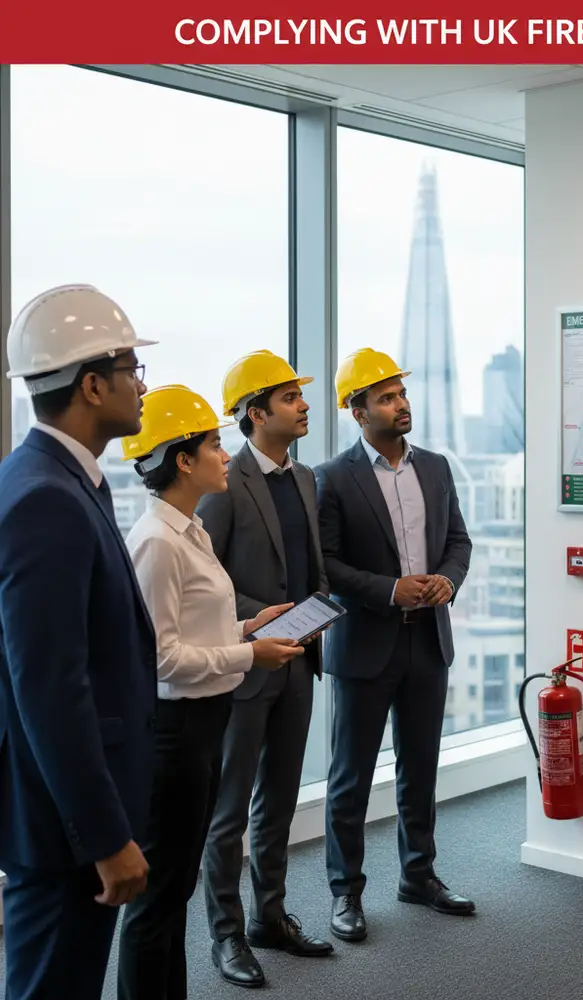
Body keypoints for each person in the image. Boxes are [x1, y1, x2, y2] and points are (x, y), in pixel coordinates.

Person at [115, 385, 306, 1000]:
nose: (226, 454)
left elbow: (193, 627)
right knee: (156, 901)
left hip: (203, 723)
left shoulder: (189, 531)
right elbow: (162, 659)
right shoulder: (156, 542)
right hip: (175, 733)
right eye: (213, 444)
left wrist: (246, 625)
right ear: (182, 460)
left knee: (174, 891)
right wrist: (250, 652)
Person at [0, 285, 157, 1000]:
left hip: (62, 817)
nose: (142, 386)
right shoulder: (46, 497)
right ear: (92, 385)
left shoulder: (56, 479)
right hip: (65, 832)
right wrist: (103, 836)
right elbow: (50, 689)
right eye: (132, 370)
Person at [315, 347, 474, 945]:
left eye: (401, 394)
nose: (401, 404)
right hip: (365, 645)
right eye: (385, 397)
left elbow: (458, 540)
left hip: (428, 642)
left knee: (420, 768)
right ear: (358, 411)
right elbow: (325, 565)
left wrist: (446, 581)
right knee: (350, 777)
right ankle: (345, 893)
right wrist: (390, 590)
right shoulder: (332, 477)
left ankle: (418, 875)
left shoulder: (434, 467)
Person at [199, 350, 333, 988]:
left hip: (300, 661)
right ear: (256, 414)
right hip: (247, 664)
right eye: (289, 398)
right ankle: (225, 935)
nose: (304, 405)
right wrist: (268, 617)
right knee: (229, 809)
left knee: (278, 799)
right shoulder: (223, 484)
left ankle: (267, 918)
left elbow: (310, 569)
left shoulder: (304, 478)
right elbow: (209, 583)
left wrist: (317, 614)